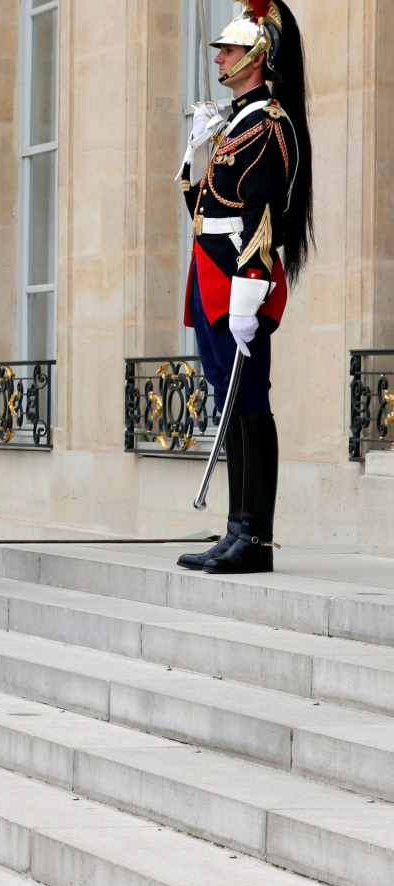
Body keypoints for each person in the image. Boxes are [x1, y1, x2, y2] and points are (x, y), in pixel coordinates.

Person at [176, 0, 313, 574]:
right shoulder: (236, 121)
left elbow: (263, 212)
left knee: (249, 399)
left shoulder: (270, 123)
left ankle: (255, 536)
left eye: (230, 50)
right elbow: (202, 206)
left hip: (239, 276)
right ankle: (236, 527)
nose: (220, 58)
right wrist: (196, 150)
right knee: (229, 399)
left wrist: (250, 289)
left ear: (259, 56)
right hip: (211, 269)